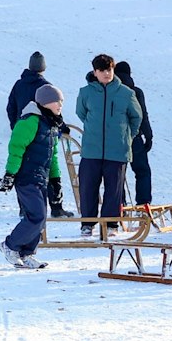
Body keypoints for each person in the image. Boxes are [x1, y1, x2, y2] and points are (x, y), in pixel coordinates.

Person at [74, 55, 142, 237]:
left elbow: (136, 117)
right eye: (102, 70)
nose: (106, 73)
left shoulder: (126, 93)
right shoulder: (85, 92)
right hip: (91, 150)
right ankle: (87, 224)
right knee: (88, 188)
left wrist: (126, 136)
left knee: (114, 189)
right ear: (95, 72)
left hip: (117, 151)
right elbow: (81, 113)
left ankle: (111, 224)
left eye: (109, 69)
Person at [0, 84, 63, 269]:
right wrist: (10, 174)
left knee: (41, 219)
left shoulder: (51, 124)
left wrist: (56, 180)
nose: (60, 105)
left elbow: (53, 156)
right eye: (57, 101)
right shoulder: (30, 121)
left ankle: (26, 253)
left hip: (41, 177)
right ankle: (10, 245)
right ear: (45, 103)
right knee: (36, 216)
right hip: (26, 177)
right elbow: (16, 148)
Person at [114, 61, 156, 209]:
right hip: (134, 137)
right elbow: (143, 115)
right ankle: (143, 204)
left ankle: (120, 204)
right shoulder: (136, 91)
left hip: (115, 138)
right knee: (142, 171)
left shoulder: (111, 90)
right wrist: (148, 136)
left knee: (118, 173)